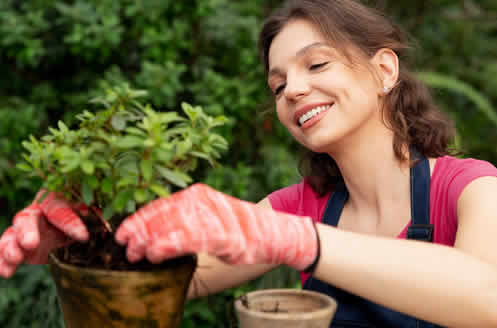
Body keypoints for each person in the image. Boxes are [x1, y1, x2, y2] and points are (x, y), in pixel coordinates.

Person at [1, 0, 497, 326]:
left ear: (384, 69)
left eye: (316, 64)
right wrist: (87, 245)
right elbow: (175, 277)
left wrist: (301, 241)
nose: (294, 90)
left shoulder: (470, 187)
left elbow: (486, 296)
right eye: (278, 85)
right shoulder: (295, 208)